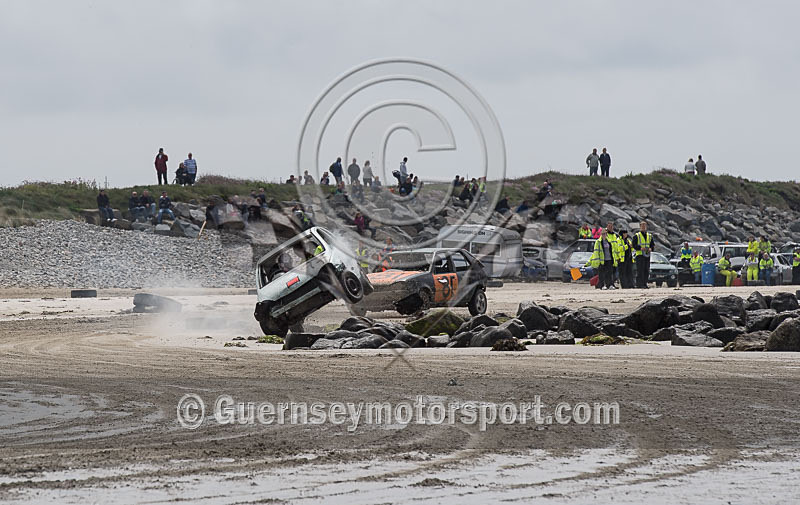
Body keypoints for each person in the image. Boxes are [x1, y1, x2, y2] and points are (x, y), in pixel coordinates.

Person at [632, 221, 654, 288]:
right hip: (640, 255)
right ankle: (639, 284)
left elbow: (652, 245)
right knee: (640, 270)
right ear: (640, 227)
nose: (644, 227)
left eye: (645, 226)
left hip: (647, 255)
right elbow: (634, 245)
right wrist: (640, 248)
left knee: (646, 270)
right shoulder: (637, 235)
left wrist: (651, 248)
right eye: (642, 226)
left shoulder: (649, 236)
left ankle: (645, 283)